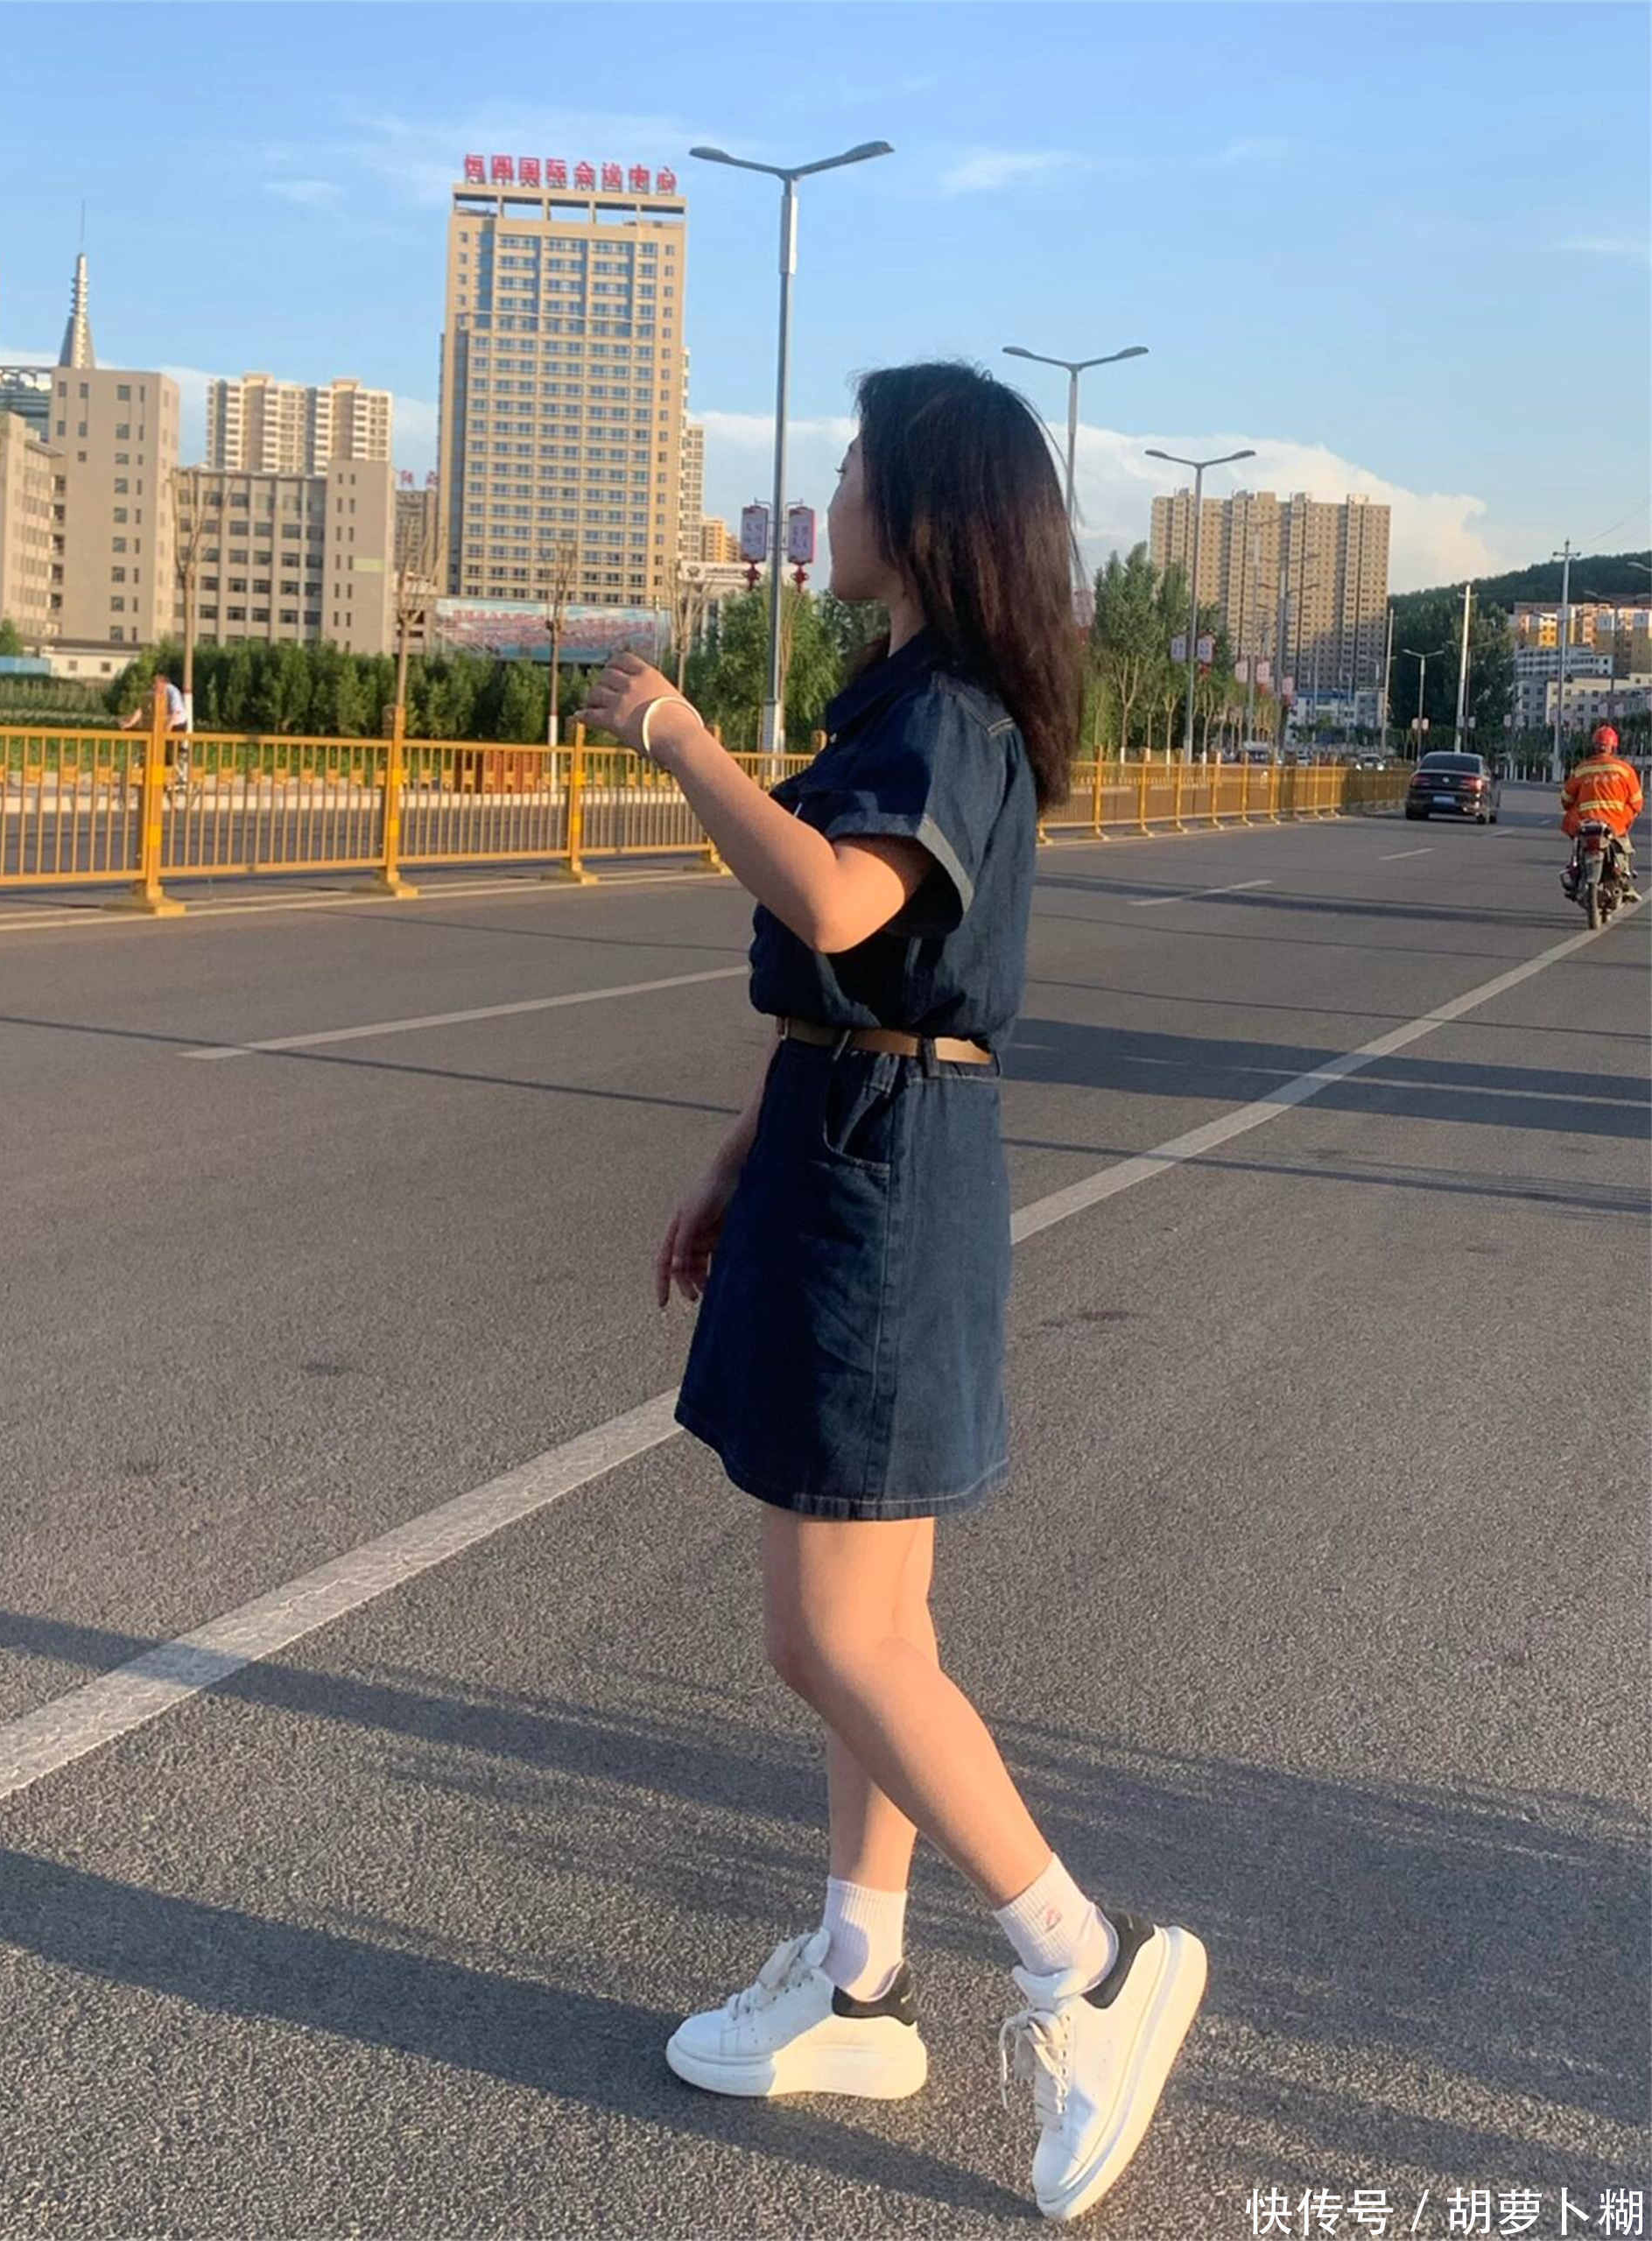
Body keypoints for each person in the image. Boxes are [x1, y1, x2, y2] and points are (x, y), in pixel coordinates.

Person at [580, 361, 1206, 2223]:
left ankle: (1086, 1965)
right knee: (871, 1625)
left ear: (925, 511)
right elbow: (852, 992)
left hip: (886, 1177)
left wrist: (684, 742)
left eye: (855, 464)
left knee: (834, 1636)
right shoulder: (909, 696)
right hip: (846, 1137)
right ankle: (859, 1980)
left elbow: (847, 910)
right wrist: (734, 1153)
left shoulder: (947, 714)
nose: (832, 491)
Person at [1559, 723, 1643, 903]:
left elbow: (1566, 799)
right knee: (1624, 847)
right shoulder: (1624, 770)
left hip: (1585, 823)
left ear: (1595, 746)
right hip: (1614, 824)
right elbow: (1637, 802)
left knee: (1577, 841)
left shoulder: (1582, 769)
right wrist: (1628, 815)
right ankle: (1625, 878)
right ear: (1613, 747)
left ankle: (1575, 871)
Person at [121, 669, 191, 792]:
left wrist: (166, 731)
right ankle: (159, 779)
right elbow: (142, 710)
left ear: (164, 683)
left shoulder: (172, 692)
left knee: (165, 751)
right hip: (163, 725)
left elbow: (175, 714)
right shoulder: (154, 693)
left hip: (178, 724)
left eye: (156, 683)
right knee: (154, 747)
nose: (154, 686)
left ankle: (169, 778)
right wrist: (130, 723)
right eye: (153, 683)